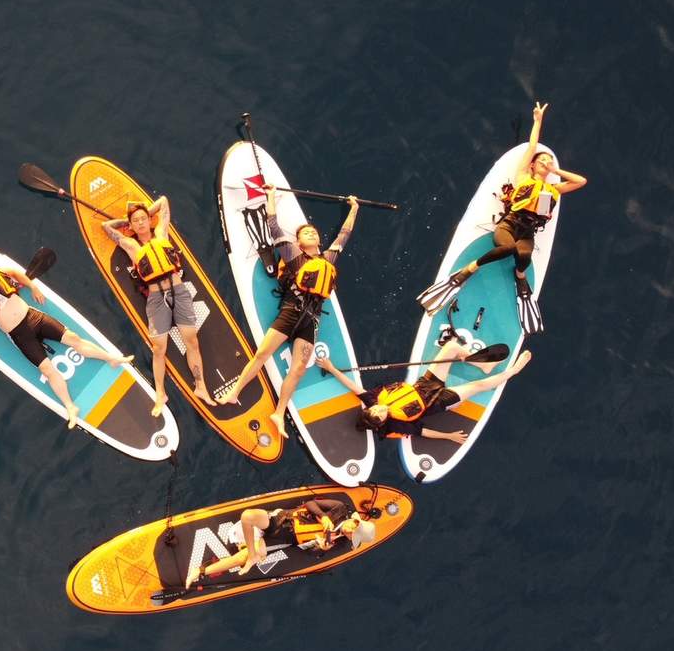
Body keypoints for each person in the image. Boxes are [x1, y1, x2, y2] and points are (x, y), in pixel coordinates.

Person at [417, 102, 588, 334]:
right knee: (508, 249)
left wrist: (555, 172)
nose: (546, 163)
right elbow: (532, 147)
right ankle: (471, 268)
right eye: (543, 161)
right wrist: (538, 121)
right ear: (533, 165)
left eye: (548, 161)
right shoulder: (523, 177)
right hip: (509, 225)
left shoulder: (554, 189)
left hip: (528, 232)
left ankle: (519, 276)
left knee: (524, 256)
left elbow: (581, 181)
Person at [214, 184, 360, 436]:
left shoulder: (328, 259)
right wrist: (270, 196)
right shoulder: (293, 253)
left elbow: (344, 235)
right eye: (306, 233)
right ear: (299, 242)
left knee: (299, 369)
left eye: (314, 232)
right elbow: (273, 226)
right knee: (262, 354)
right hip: (291, 312)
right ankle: (234, 393)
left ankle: (279, 413)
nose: (312, 234)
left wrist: (354, 208)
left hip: (310, 321)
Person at [0, 261, 132, 429]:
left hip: (34, 317)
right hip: (19, 334)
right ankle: (70, 407)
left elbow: (15, 273)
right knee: (48, 369)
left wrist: (33, 287)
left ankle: (112, 359)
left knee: (74, 340)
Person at [102, 196, 215, 416]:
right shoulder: (131, 245)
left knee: (192, 341)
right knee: (158, 349)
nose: (142, 223)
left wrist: (145, 210)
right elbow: (105, 226)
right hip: (156, 300)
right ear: (131, 226)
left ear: (150, 220)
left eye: (144, 219)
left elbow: (164, 201)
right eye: (137, 221)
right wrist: (124, 221)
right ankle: (160, 394)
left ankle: (201, 386)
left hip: (180, 292)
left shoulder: (161, 233)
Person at [316, 340, 532, 442]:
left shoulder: (372, 400)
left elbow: (352, 386)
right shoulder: (395, 423)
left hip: (425, 385)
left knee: (452, 347)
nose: (381, 411)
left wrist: (331, 368)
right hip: (439, 401)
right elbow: (423, 432)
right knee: (478, 386)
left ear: (370, 409)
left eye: (377, 411)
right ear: (382, 423)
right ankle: (513, 371)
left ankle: (483, 365)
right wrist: (449, 437)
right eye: (381, 417)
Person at [185, 499, 377, 588]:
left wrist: (319, 548)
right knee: (248, 515)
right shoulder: (339, 508)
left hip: (285, 537)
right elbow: (311, 503)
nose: (350, 531)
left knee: (245, 556)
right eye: (354, 527)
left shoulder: (341, 543)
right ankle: (253, 554)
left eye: (353, 535)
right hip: (280, 520)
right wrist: (323, 516)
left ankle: (200, 571)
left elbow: (309, 553)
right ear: (355, 520)